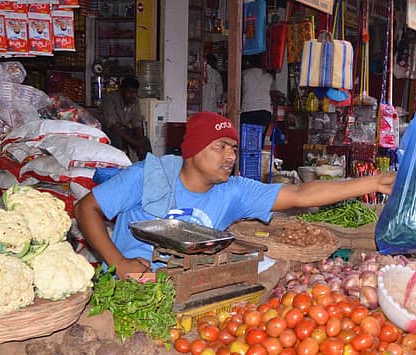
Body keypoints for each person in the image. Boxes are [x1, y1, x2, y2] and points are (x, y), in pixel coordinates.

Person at [75, 112, 394, 278]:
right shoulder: (149, 174)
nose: (230, 156)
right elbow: (86, 209)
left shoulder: (234, 190)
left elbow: (301, 194)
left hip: (190, 285)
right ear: (193, 151)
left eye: (233, 149)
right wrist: (118, 263)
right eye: (220, 147)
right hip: (132, 284)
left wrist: (374, 183)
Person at [100, 77, 152, 159]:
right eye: (129, 92)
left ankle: (148, 165)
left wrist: (140, 141)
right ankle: (120, 164)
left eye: (135, 92)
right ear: (121, 90)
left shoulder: (134, 100)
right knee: (117, 140)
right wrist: (133, 142)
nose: (132, 95)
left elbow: (136, 122)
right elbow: (111, 124)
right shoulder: (109, 98)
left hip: (121, 128)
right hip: (105, 129)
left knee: (145, 142)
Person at [240, 56, 276, 130]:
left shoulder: (244, 74)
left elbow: (239, 91)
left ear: (250, 63)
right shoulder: (268, 76)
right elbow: (274, 95)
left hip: (248, 110)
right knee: (260, 135)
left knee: (247, 135)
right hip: (264, 112)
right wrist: (275, 112)